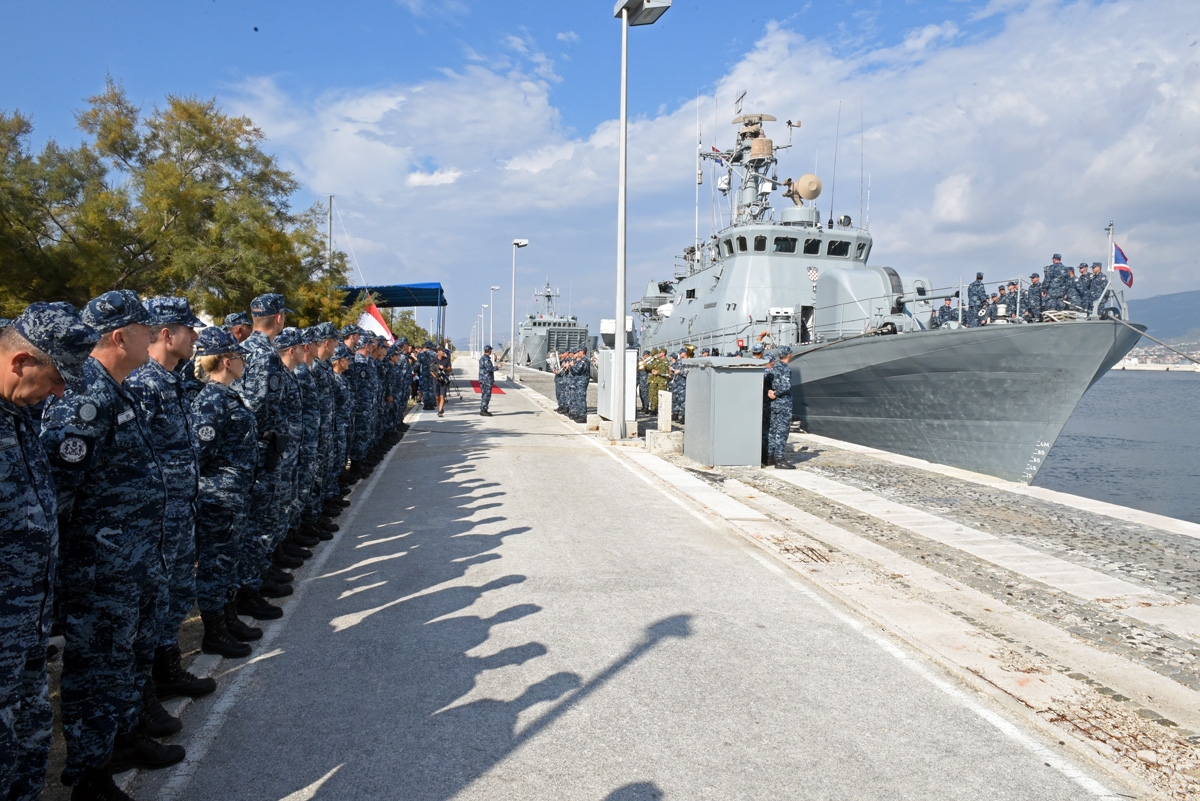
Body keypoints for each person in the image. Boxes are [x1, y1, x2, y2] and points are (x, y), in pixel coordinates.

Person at [40, 290, 186, 796]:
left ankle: (122, 736)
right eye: (145, 329)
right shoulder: (84, 399)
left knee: (126, 656)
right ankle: (88, 771)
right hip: (99, 570)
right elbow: (56, 498)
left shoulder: (116, 389)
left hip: (136, 559)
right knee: (98, 666)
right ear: (120, 335)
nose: (154, 336)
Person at [0, 303, 97, 801]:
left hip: (26, 636)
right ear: (20, 363)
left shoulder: (17, 412)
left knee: (30, 748)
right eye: (57, 378)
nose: (60, 394)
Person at [125, 297, 214, 715]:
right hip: (154, 519)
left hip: (178, 511)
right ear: (167, 334)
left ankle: (166, 670)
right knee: (152, 604)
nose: (196, 337)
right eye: (189, 330)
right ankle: (150, 687)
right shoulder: (143, 384)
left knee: (174, 595)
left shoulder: (170, 379)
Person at [189, 327, 258, 658]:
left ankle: (228, 617)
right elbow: (199, 453)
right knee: (216, 563)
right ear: (227, 362)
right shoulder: (212, 400)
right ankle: (214, 630)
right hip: (217, 497)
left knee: (229, 558)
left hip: (234, 495)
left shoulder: (228, 393)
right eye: (240, 358)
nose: (244, 363)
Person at [234, 293, 295, 621]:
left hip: (250, 449)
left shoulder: (243, 349)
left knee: (256, 520)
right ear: (279, 318)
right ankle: (250, 589)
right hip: (261, 449)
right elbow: (259, 405)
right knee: (259, 520)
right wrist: (267, 441)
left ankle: (257, 576)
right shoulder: (266, 355)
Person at [765, 346, 794, 469]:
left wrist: (770, 393)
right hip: (783, 404)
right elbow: (786, 386)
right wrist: (777, 393)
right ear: (788, 355)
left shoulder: (773, 368)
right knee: (782, 432)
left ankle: (770, 457)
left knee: (773, 430)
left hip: (774, 404)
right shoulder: (785, 369)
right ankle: (779, 459)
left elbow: (767, 383)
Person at [433, 346, 452, 417]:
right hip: (436, 380)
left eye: (444, 351)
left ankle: (440, 411)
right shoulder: (434, 360)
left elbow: (450, 369)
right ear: (438, 351)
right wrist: (435, 376)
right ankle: (440, 407)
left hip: (443, 380)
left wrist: (444, 368)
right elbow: (431, 370)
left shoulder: (446, 360)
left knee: (442, 396)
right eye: (442, 351)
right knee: (437, 397)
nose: (443, 352)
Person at [478, 345, 496, 416]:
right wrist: (497, 367)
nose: (491, 351)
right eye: (490, 350)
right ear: (488, 350)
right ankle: (484, 410)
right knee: (486, 395)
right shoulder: (486, 359)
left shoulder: (483, 358)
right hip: (487, 380)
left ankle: (483, 409)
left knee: (484, 395)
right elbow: (489, 369)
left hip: (483, 379)